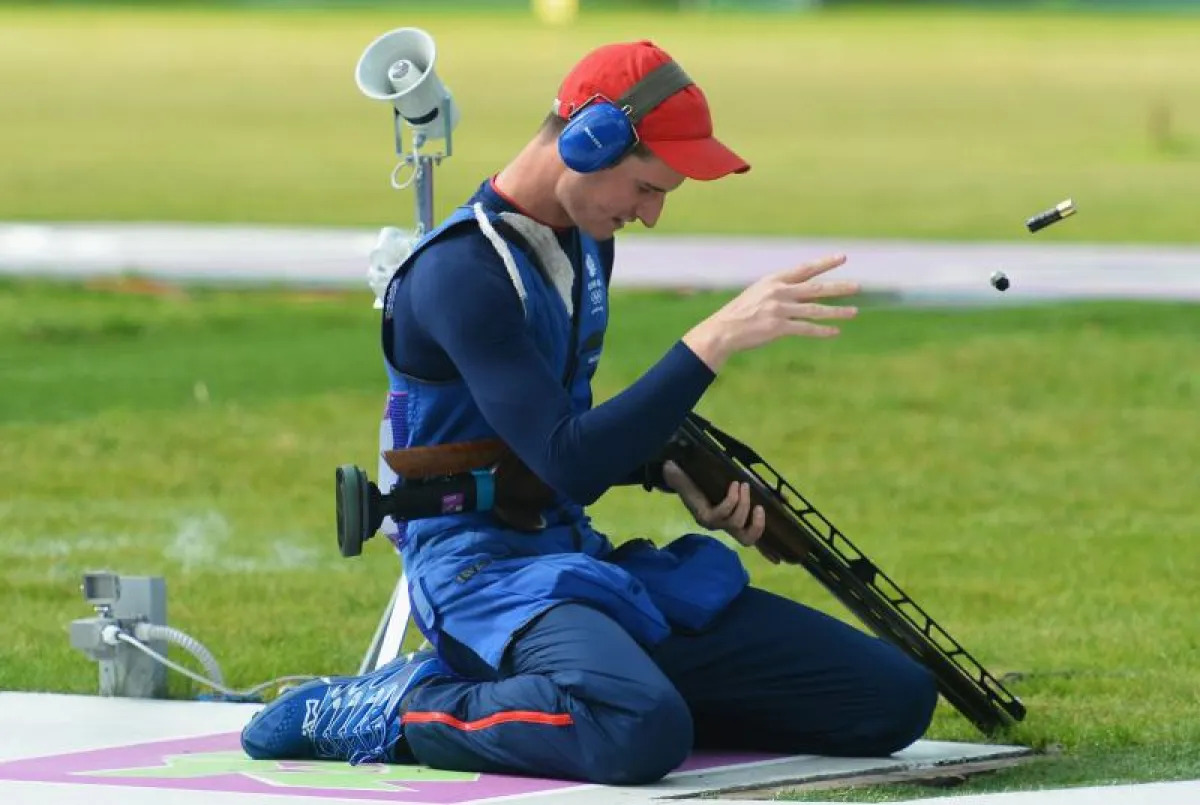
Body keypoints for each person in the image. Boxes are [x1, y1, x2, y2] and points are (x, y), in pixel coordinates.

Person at [240, 38, 937, 785]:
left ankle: (607, 696)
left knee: (889, 699)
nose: (652, 214)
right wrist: (712, 340)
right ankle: (395, 705)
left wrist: (668, 469)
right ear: (589, 141)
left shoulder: (582, 242)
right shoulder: (459, 272)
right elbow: (567, 457)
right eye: (646, 187)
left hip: (572, 559)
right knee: (636, 729)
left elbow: (548, 441)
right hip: (479, 577)